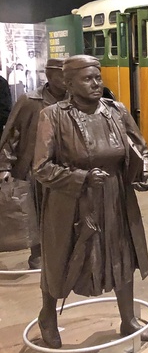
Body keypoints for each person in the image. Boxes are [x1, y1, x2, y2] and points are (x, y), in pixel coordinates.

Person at [33, 55, 148, 348]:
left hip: (115, 196)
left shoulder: (116, 110)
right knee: (62, 259)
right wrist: (80, 178)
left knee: (122, 254)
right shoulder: (53, 116)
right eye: (88, 79)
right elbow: (40, 168)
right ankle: (47, 317)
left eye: (98, 77)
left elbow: (140, 147)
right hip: (71, 201)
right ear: (69, 83)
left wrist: (144, 172)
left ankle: (128, 318)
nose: (96, 83)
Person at [0, 58, 67, 269]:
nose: (66, 80)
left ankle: (66, 253)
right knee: (37, 212)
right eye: (61, 75)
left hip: (68, 166)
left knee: (66, 213)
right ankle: (37, 254)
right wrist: (4, 166)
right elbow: (11, 135)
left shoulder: (76, 100)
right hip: (36, 166)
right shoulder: (30, 101)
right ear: (49, 75)